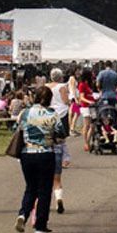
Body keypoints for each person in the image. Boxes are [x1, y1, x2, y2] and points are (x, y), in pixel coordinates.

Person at [15, 86, 65, 233]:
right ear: (49, 99)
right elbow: (61, 133)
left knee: (30, 187)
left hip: (27, 153)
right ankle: (40, 225)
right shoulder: (52, 114)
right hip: (45, 154)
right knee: (44, 190)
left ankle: (23, 214)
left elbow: (18, 128)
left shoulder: (25, 112)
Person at [48, 68, 70, 214]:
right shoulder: (62, 87)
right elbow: (65, 100)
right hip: (60, 113)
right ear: (61, 77)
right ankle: (59, 199)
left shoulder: (46, 87)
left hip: (48, 112)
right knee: (60, 139)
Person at [78, 68, 97, 151]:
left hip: (92, 106)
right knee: (87, 125)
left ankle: (88, 141)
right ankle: (86, 142)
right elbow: (81, 97)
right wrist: (89, 101)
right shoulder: (82, 84)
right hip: (85, 106)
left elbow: (90, 94)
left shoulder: (89, 84)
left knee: (93, 125)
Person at [67, 67, 81, 136]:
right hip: (74, 97)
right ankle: (72, 129)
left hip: (73, 97)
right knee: (76, 113)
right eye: (77, 70)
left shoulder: (72, 78)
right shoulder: (72, 78)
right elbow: (73, 89)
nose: (78, 72)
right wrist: (76, 99)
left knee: (72, 113)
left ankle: (71, 129)